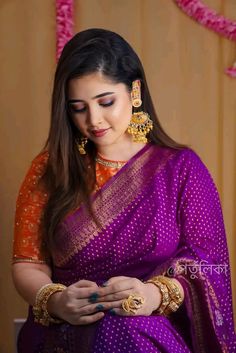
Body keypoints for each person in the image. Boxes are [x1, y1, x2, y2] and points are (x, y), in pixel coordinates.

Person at [12, 28, 236, 353]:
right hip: (68, 329)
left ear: (134, 91)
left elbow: (209, 263)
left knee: (126, 330)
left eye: (105, 102)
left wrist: (154, 295)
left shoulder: (180, 168)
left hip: (152, 327)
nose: (94, 119)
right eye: (78, 107)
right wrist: (56, 300)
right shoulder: (51, 168)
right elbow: (27, 264)